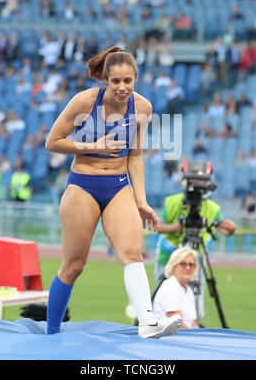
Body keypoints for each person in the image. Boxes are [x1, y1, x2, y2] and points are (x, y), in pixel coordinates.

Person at [45, 46, 182, 338]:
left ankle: (147, 321)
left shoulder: (142, 108)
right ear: (105, 79)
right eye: (115, 81)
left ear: (136, 79)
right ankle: (51, 333)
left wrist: (141, 200)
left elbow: (135, 157)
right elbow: (53, 142)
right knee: (73, 266)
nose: (122, 87)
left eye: (128, 81)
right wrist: (94, 146)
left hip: (118, 186)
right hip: (83, 185)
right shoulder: (83, 102)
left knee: (132, 253)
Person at [154, 174, 236, 320]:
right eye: (196, 180)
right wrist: (177, 227)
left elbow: (224, 228)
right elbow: (157, 226)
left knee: (194, 306)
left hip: (194, 261)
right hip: (168, 259)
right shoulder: (173, 202)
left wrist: (229, 228)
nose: (199, 184)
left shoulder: (212, 208)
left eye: (203, 181)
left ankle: (193, 325)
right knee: (165, 301)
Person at [153, 247, 199, 329]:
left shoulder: (188, 290)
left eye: (191, 264)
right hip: (171, 338)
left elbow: (193, 323)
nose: (188, 268)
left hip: (185, 336)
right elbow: (178, 324)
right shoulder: (170, 287)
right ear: (173, 266)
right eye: (183, 264)